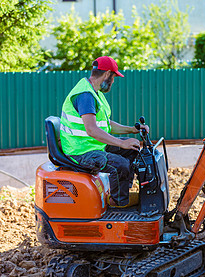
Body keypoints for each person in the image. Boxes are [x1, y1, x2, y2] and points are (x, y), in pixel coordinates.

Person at [59, 56, 148, 207]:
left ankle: (122, 193)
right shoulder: (85, 95)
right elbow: (92, 129)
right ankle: (119, 203)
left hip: (91, 145)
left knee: (132, 149)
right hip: (80, 151)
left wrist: (132, 130)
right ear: (107, 74)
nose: (113, 82)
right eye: (113, 77)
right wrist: (121, 143)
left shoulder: (94, 92)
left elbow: (105, 125)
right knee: (120, 165)